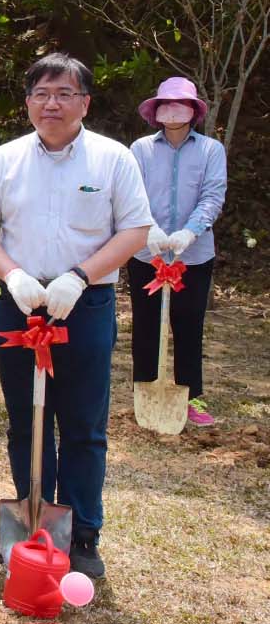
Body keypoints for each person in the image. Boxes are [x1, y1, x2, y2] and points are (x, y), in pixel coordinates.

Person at [0, 52, 152, 579]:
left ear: (84, 102)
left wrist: (80, 275)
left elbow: (135, 232)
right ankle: (32, 520)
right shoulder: (5, 159)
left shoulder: (113, 160)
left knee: (83, 424)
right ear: (27, 103)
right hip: (19, 302)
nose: (52, 104)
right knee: (26, 419)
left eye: (64, 94)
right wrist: (13, 274)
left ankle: (83, 531)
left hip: (83, 303)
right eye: (41, 94)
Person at [128, 77, 226, 427]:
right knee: (146, 324)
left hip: (193, 256)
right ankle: (143, 393)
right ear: (156, 111)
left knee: (188, 324)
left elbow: (213, 195)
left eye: (180, 104)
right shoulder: (140, 149)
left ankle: (190, 398)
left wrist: (190, 231)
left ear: (193, 110)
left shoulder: (211, 150)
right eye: (165, 104)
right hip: (146, 253)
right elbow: (131, 194)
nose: (172, 111)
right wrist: (147, 228)